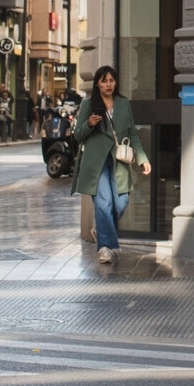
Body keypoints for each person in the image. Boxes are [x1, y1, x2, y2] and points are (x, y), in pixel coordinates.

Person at [72, 65, 150, 265]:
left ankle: (101, 229)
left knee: (121, 203)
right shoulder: (89, 105)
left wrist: (142, 159)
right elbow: (77, 135)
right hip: (96, 164)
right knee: (104, 203)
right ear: (97, 83)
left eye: (111, 80)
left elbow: (132, 133)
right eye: (104, 80)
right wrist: (89, 124)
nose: (108, 84)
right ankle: (105, 248)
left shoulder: (123, 104)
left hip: (118, 162)